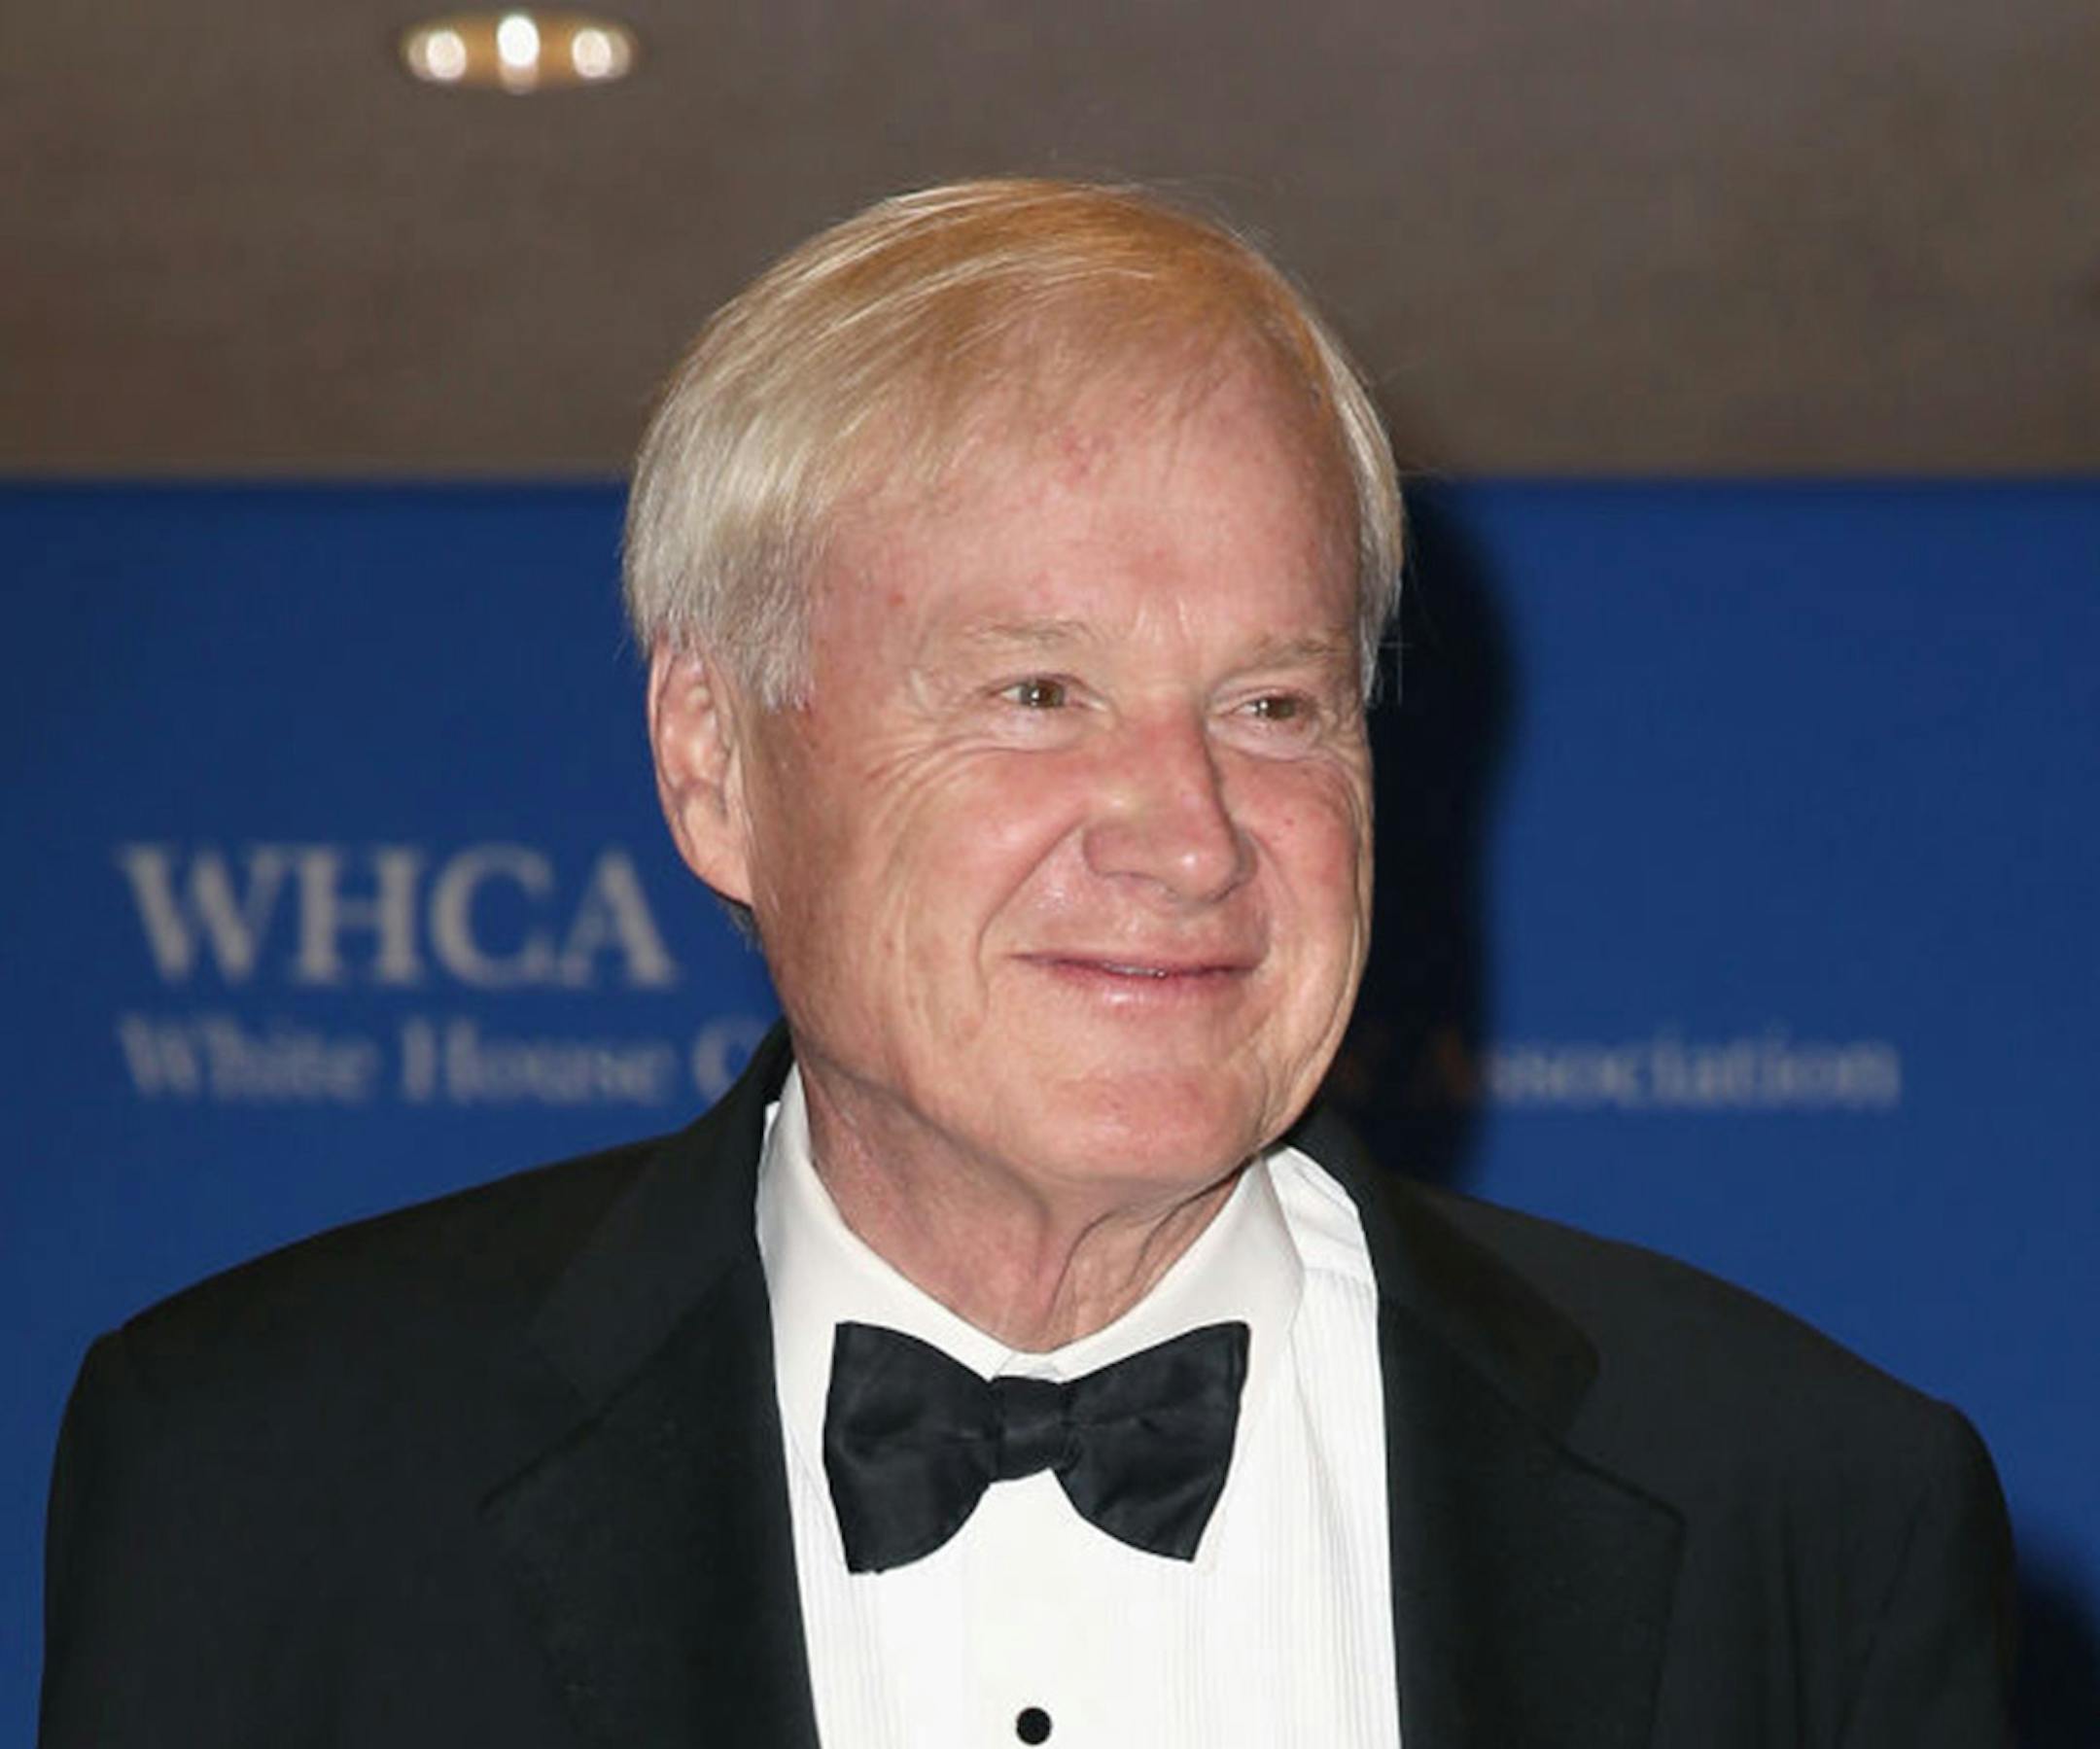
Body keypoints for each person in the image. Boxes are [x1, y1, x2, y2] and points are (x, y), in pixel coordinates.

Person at [41, 180, 2014, 1748]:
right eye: (1037, 689)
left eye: (1270, 703)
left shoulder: (1810, 1508)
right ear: (715, 768)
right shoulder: (267, 1477)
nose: (1185, 831)